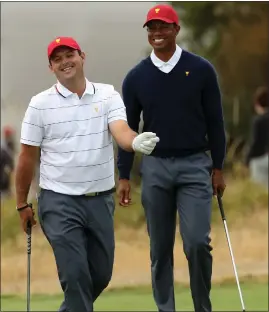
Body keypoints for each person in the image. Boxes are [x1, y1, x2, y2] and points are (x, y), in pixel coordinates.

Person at [15, 36, 159, 312]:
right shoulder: (40, 104)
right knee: (76, 276)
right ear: (51, 68)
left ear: (82, 56)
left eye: (69, 55)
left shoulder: (107, 95)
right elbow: (27, 157)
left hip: (100, 200)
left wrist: (134, 141)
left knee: (100, 275)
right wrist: (22, 202)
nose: (64, 62)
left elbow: (121, 130)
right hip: (59, 201)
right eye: (57, 59)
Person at [117, 5, 226, 312]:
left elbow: (216, 122)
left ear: (176, 30)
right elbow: (128, 128)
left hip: (195, 165)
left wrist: (218, 167)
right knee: (160, 248)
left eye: (163, 27)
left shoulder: (201, 69)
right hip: (155, 168)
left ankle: (202, 306)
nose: (157, 33)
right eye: (151, 28)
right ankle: (167, 309)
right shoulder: (136, 77)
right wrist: (124, 175)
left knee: (196, 243)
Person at [245, 86, 269, 187]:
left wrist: (246, 159)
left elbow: (255, 144)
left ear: (257, 104)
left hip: (263, 161)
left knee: (260, 186)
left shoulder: (259, 121)